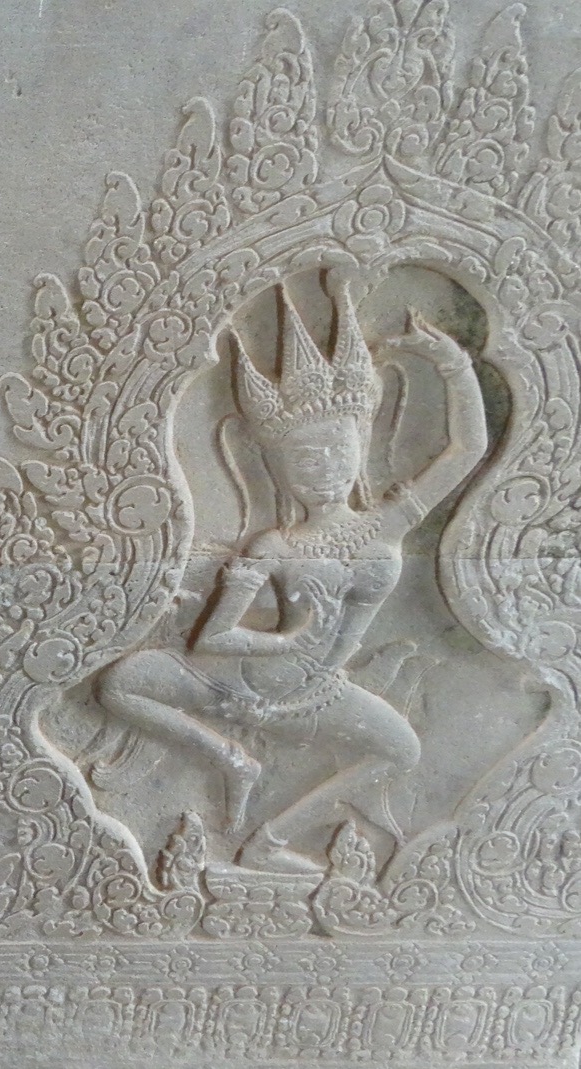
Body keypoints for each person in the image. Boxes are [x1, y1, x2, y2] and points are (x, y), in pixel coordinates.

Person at [96, 273, 487, 873]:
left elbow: (467, 451)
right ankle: (228, 758)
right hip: (250, 682)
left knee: (400, 751)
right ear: (275, 466)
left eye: (337, 451)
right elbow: (212, 637)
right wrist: (282, 642)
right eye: (303, 457)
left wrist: (451, 363)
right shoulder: (276, 544)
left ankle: (271, 839)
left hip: (321, 691)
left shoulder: (390, 523)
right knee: (119, 684)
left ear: (359, 448)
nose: (323, 467)